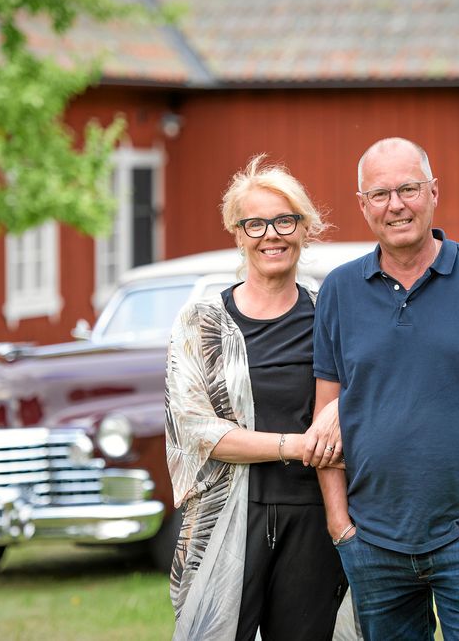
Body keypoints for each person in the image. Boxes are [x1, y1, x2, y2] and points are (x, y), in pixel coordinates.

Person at [308, 137, 459, 640]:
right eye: (380, 194)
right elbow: (325, 418)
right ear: (363, 206)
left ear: (434, 192)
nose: (396, 205)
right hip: (373, 545)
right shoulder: (339, 291)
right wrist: (340, 525)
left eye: (408, 189)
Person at [164, 155, 348, 640]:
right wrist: (294, 445)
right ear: (238, 233)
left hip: (312, 518)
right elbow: (197, 430)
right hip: (223, 519)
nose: (272, 234)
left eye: (285, 221)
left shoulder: (330, 314)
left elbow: (365, 392)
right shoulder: (201, 324)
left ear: (304, 230)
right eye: (256, 223)